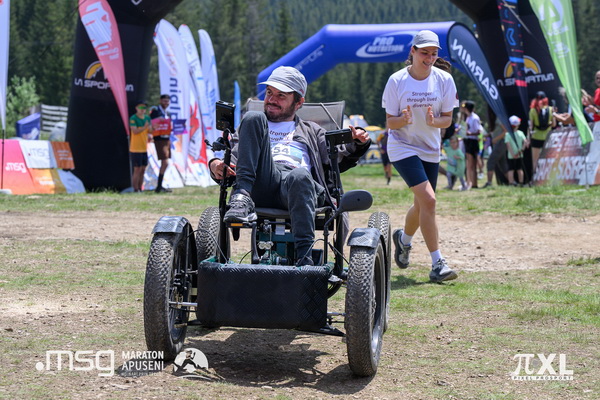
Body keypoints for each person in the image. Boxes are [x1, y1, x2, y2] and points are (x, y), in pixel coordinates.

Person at [208, 66, 371, 266]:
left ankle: (305, 257)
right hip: (260, 184)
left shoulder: (312, 130)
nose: (271, 99)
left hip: (298, 188)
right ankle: (241, 197)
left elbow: (339, 155)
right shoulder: (251, 125)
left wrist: (358, 141)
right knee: (252, 116)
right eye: (269, 93)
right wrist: (215, 164)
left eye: (281, 96)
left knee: (299, 175)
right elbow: (233, 158)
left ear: (299, 102)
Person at [382, 30, 459, 283]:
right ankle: (438, 263)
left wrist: (434, 121)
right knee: (429, 200)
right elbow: (390, 123)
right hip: (402, 146)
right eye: (424, 53)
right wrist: (402, 119)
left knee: (421, 204)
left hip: (430, 148)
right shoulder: (396, 80)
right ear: (412, 51)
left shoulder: (444, 80)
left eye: (434, 54)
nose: (429, 58)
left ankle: (403, 240)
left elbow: (447, 119)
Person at [528, 91, 554, 175]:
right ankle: (547, 177)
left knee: (535, 160)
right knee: (548, 158)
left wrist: (528, 138)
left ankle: (535, 177)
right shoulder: (551, 109)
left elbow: (531, 126)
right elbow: (554, 124)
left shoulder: (532, 111)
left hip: (536, 137)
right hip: (548, 137)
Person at [150, 94, 173, 193]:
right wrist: (159, 119)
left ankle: (160, 186)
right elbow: (151, 122)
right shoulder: (155, 111)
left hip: (166, 138)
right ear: (160, 101)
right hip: (159, 139)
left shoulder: (168, 112)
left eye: (167, 101)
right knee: (165, 162)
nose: (166, 103)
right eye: (164, 101)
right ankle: (159, 186)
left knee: (165, 162)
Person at [129, 101, 153, 192]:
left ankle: (140, 188)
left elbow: (149, 130)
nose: (142, 110)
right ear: (136, 108)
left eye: (144, 108)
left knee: (143, 169)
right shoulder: (133, 118)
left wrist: (153, 129)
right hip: (135, 148)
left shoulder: (147, 118)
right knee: (137, 169)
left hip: (144, 148)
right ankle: (135, 189)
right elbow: (135, 131)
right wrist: (144, 127)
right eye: (141, 108)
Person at [482, 108, 508, 188]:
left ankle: (489, 182)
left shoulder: (498, 118)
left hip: (500, 143)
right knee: (503, 165)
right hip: (498, 143)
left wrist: (495, 139)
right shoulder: (495, 119)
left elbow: (505, 131)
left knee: (490, 162)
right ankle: (512, 182)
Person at [462, 100, 482, 189]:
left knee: (472, 164)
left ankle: (473, 183)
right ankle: (470, 182)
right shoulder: (468, 117)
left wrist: (470, 133)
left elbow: (479, 131)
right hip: (468, 141)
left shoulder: (475, 118)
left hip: (472, 141)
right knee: (469, 164)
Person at [505, 115, 527, 186]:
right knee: (519, 169)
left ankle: (511, 182)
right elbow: (525, 142)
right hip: (520, 155)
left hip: (511, 156)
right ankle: (521, 182)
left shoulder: (507, 134)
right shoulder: (521, 133)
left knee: (510, 169)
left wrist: (513, 154)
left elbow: (508, 145)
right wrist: (522, 150)